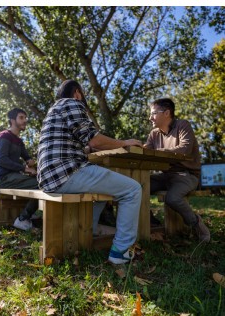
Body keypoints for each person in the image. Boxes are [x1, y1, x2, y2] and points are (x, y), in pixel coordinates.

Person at [37, 79, 142, 264]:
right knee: (132, 189)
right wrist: (125, 143)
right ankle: (121, 253)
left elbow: (75, 143)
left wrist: (85, 149)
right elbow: (94, 140)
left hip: (50, 176)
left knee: (103, 191)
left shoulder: (53, 111)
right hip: (66, 173)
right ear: (77, 92)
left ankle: (88, 231)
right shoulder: (72, 103)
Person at [144, 98, 210, 242]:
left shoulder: (183, 125)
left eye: (154, 113)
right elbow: (145, 153)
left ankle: (196, 223)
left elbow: (184, 150)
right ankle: (151, 222)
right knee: (137, 186)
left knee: (172, 198)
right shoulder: (154, 134)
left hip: (187, 175)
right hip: (164, 175)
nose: (150, 118)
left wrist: (158, 152)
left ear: (167, 113)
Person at [0, 108, 39, 231]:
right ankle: (23, 219)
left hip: (14, 176)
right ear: (13, 120)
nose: (25, 121)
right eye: (21, 118)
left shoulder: (18, 141)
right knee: (39, 185)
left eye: (25, 118)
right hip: (3, 178)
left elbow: (26, 157)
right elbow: (1, 160)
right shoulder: (4, 136)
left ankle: (29, 212)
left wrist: (30, 161)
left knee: (43, 180)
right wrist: (25, 168)